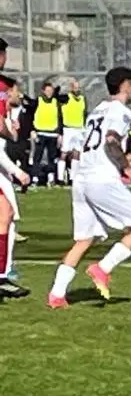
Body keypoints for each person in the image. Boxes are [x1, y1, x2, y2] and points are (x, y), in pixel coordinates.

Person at [47, 67, 131, 307]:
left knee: (85, 240)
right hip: (101, 179)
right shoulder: (120, 110)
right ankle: (102, 268)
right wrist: (126, 167)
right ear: (125, 85)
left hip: (82, 179)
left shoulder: (97, 110)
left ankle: (57, 294)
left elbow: (96, 146)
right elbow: (111, 141)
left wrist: (124, 160)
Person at [0, 73, 30, 298]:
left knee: (8, 218)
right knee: (7, 217)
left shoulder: (9, 116)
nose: (20, 95)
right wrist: (17, 171)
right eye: (16, 91)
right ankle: (3, 273)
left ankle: (5, 270)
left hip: (3, 173)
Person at [29, 81, 63, 186]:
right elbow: (30, 115)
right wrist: (32, 130)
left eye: (51, 91)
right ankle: (35, 178)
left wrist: (60, 133)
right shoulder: (38, 101)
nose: (49, 93)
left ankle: (51, 178)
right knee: (37, 156)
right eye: (47, 90)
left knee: (52, 157)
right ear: (43, 91)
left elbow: (60, 117)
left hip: (52, 133)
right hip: (40, 132)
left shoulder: (56, 101)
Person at [57, 79, 86, 185]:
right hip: (68, 128)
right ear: (71, 88)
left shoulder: (82, 99)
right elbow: (56, 97)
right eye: (75, 87)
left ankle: (73, 178)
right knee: (64, 153)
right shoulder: (66, 98)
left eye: (78, 87)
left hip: (79, 129)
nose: (77, 89)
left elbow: (84, 114)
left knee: (76, 153)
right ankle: (60, 178)